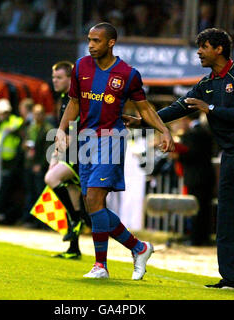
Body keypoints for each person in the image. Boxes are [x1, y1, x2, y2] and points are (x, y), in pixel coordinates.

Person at [123, 28, 234, 293]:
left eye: (204, 47)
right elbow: (179, 106)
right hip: (231, 155)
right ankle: (232, 278)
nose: (199, 52)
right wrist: (144, 122)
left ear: (219, 49)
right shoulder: (206, 84)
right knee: (227, 215)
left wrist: (209, 108)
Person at [56, 22, 176, 280]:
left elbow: (144, 109)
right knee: (93, 205)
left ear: (111, 43)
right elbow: (74, 103)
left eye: (96, 41)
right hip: (85, 141)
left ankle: (100, 266)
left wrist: (163, 130)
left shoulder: (127, 74)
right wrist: (62, 129)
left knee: (95, 200)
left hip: (111, 141)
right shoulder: (81, 67)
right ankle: (139, 247)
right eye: (89, 39)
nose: (90, 45)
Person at [45, 61, 89, 259]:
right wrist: (56, 152)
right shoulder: (64, 98)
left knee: (51, 179)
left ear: (70, 79)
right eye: (54, 77)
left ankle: (77, 221)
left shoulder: (78, 99)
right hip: (68, 153)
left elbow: (86, 124)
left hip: (80, 154)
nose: (55, 81)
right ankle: (74, 248)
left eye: (59, 77)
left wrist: (73, 137)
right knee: (74, 198)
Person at [176, 112, 215, 246]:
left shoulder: (193, 133)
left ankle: (196, 238)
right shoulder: (204, 131)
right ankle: (201, 237)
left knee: (197, 209)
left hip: (196, 176)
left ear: (187, 119)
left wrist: (177, 155)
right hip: (205, 175)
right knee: (203, 208)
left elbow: (191, 154)